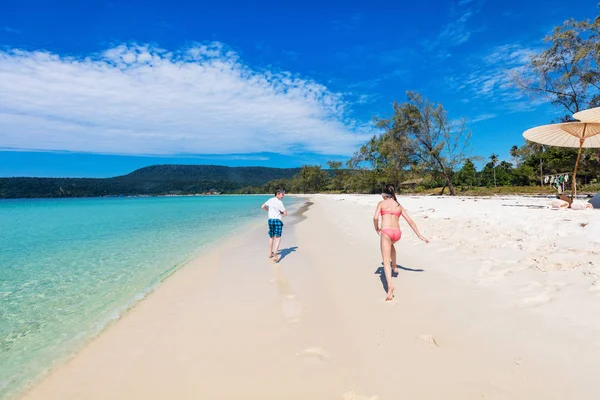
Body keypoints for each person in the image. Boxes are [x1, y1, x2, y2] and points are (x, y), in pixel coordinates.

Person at [373, 184, 429, 301]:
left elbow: (375, 217)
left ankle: (390, 286)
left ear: (384, 194)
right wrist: (419, 235)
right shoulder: (398, 205)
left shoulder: (381, 203)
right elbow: (410, 221)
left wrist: (376, 228)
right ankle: (395, 266)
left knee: (385, 261)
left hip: (386, 232)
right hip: (397, 234)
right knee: (391, 245)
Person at [261, 188, 288, 262]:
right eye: (282, 194)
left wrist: (269, 210)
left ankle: (270, 253)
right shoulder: (280, 202)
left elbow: (262, 206)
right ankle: (275, 253)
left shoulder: (270, 200)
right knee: (278, 237)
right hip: (277, 220)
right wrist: (282, 213)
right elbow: (285, 213)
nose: (283, 196)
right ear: (277, 194)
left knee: (271, 236)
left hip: (270, 220)